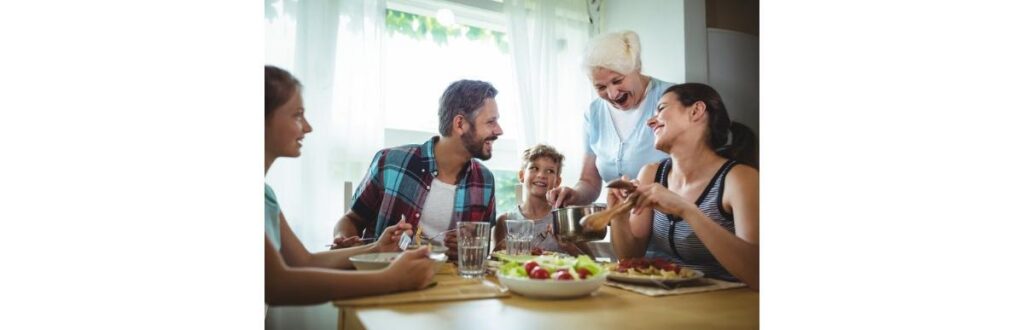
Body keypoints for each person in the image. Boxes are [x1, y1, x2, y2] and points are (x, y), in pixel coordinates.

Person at [264, 66, 436, 305]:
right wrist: (391, 279)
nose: (307, 127)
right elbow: (277, 286)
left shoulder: (266, 195)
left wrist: (377, 248)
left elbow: (303, 261)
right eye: (297, 115)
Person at [608, 83, 760, 290]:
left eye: (661, 108)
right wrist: (618, 215)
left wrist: (686, 210)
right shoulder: (651, 174)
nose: (650, 121)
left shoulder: (740, 178)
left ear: (696, 111)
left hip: (728, 303)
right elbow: (630, 257)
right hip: (668, 299)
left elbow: (757, 273)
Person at [333, 80, 503, 260]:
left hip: (451, 278)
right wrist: (343, 240)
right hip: (385, 274)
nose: (499, 130)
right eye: (491, 122)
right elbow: (351, 220)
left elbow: (482, 249)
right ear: (460, 124)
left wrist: (468, 248)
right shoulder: (390, 162)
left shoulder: (484, 180)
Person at [547, 30, 674, 209]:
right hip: (622, 221)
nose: (612, 94)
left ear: (636, 67)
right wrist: (574, 194)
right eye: (600, 87)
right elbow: (589, 181)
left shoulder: (671, 99)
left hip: (669, 218)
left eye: (617, 81)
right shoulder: (594, 113)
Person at [493, 145, 590, 256]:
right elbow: (493, 260)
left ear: (557, 181)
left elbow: (592, 262)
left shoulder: (565, 220)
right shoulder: (504, 221)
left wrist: (568, 246)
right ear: (522, 175)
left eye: (549, 171)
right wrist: (501, 248)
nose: (541, 175)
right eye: (534, 168)